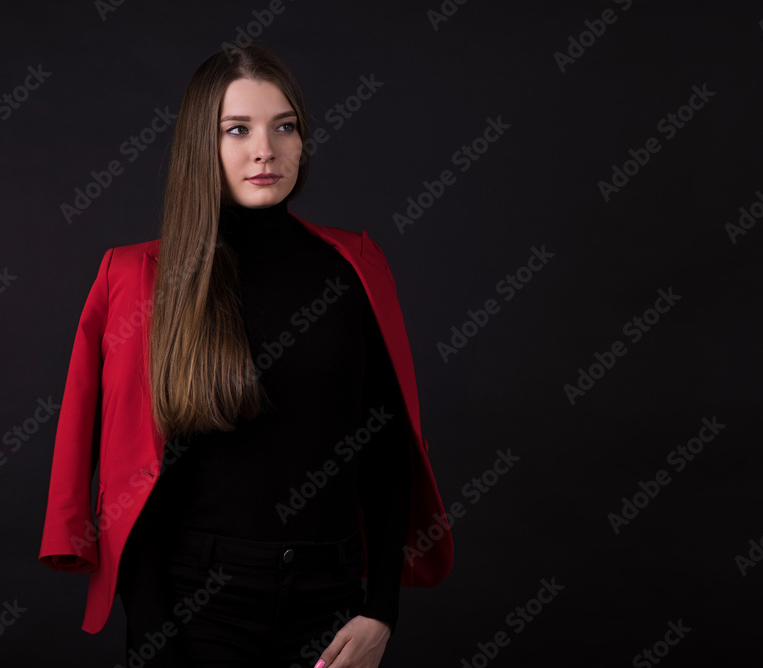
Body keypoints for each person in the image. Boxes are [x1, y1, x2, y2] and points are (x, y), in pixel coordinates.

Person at [37, 44, 454, 667]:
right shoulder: (137, 278)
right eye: (237, 129)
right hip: (196, 602)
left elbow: (388, 451)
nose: (266, 150)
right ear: (199, 144)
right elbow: (129, 475)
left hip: (332, 599)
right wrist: (154, 634)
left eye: (285, 127)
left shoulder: (356, 266)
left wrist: (380, 613)